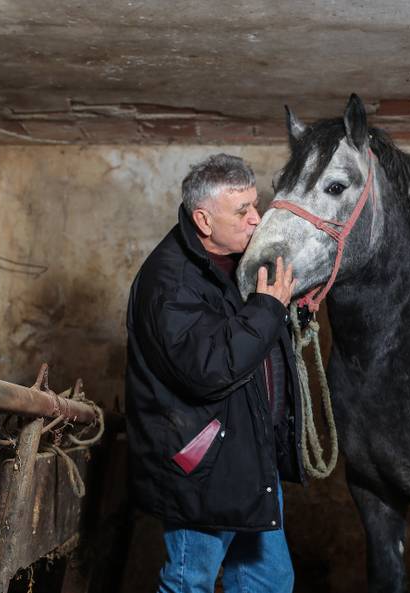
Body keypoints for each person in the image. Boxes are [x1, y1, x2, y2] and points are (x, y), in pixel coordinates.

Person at [125, 153, 305, 593]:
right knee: (191, 582)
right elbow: (207, 370)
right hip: (203, 465)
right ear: (204, 220)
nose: (256, 218)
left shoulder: (240, 264)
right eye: (242, 210)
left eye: (254, 204)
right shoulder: (168, 282)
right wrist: (268, 309)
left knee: (269, 581)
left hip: (249, 454)